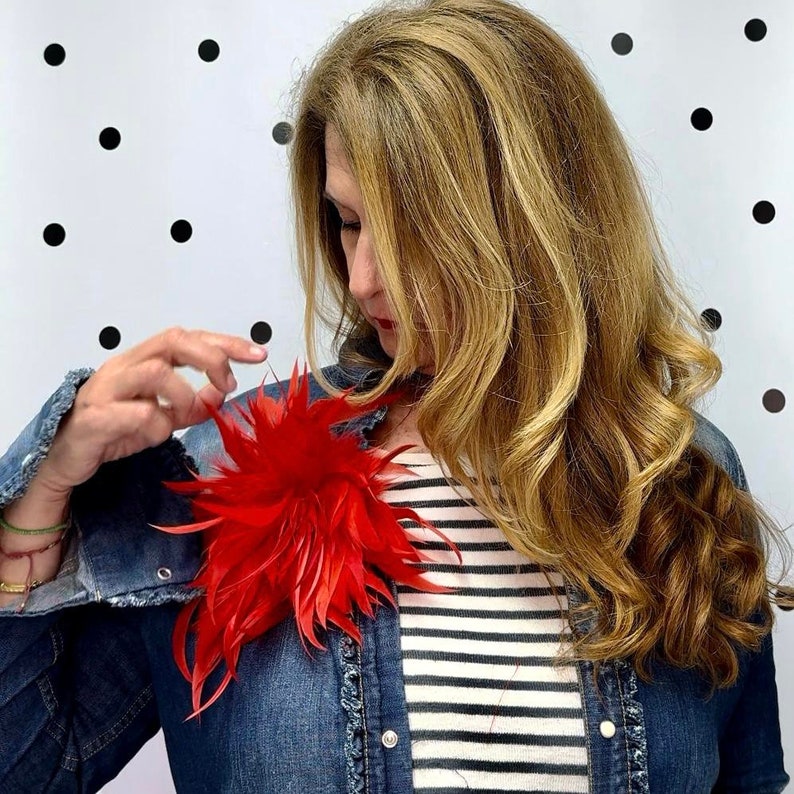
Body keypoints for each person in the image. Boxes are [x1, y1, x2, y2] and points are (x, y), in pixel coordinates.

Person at [0, 0, 790, 791]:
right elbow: (30, 768)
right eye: (347, 223)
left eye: (411, 233)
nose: (364, 278)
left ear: (530, 224)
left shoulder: (671, 473)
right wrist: (38, 495)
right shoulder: (225, 474)